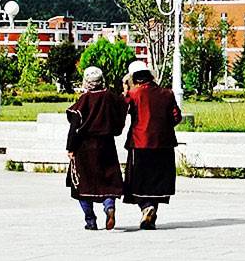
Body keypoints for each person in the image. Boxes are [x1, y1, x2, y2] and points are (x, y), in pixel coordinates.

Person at [123, 60, 182, 230]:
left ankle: (146, 207)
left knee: (138, 181)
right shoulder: (167, 93)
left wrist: (125, 92)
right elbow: (176, 117)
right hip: (164, 144)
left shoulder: (133, 95)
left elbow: (120, 110)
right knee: (158, 181)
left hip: (140, 142)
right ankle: (152, 210)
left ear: (133, 78)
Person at [66, 66, 127, 230]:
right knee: (107, 180)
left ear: (87, 83)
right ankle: (109, 206)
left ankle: (90, 221)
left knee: (82, 184)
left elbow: (74, 126)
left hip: (84, 148)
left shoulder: (84, 100)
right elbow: (122, 110)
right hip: (106, 145)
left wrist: (70, 148)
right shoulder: (111, 98)